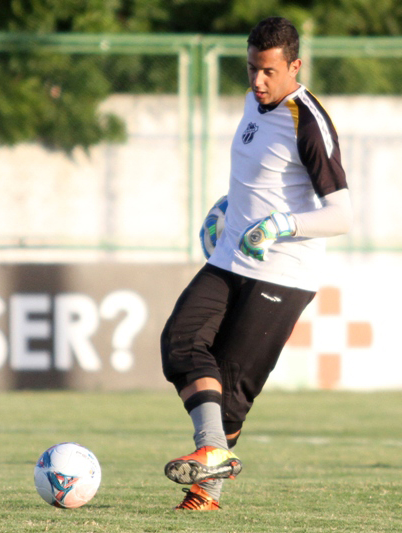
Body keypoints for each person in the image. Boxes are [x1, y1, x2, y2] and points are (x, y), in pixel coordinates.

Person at [160, 16, 352, 511]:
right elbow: (261, 176)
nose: (257, 81)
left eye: (268, 71)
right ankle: (211, 453)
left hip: (282, 273)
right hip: (230, 259)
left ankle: (205, 492)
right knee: (180, 341)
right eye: (251, 69)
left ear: (294, 66)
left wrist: (278, 226)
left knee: (233, 395)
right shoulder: (254, 101)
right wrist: (228, 207)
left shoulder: (308, 122)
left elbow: (342, 215)